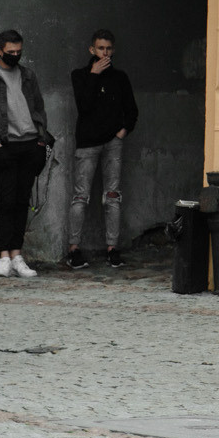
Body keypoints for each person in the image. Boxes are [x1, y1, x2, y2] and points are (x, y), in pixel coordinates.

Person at [66, 30, 138, 269]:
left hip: (112, 143)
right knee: (80, 197)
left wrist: (123, 131)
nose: (104, 53)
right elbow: (84, 106)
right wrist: (94, 75)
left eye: (108, 49)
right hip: (87, 143)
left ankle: (112, 249)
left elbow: (132, 110)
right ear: (92, 50)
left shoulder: (120, 77)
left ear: (113, 50)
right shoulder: (80, 75)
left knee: (112, 197)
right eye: (100, 48)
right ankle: (73, 250)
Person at [0, 31, 52, 279]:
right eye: (11, 52)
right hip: (5, 146)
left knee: (21, 202)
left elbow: (39, 108)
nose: (16, 55)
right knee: (6, 202)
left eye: (19, 52)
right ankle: (3, 257)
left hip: (30, 145)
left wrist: (40, 140)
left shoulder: (28, 75)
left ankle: (17, 255)